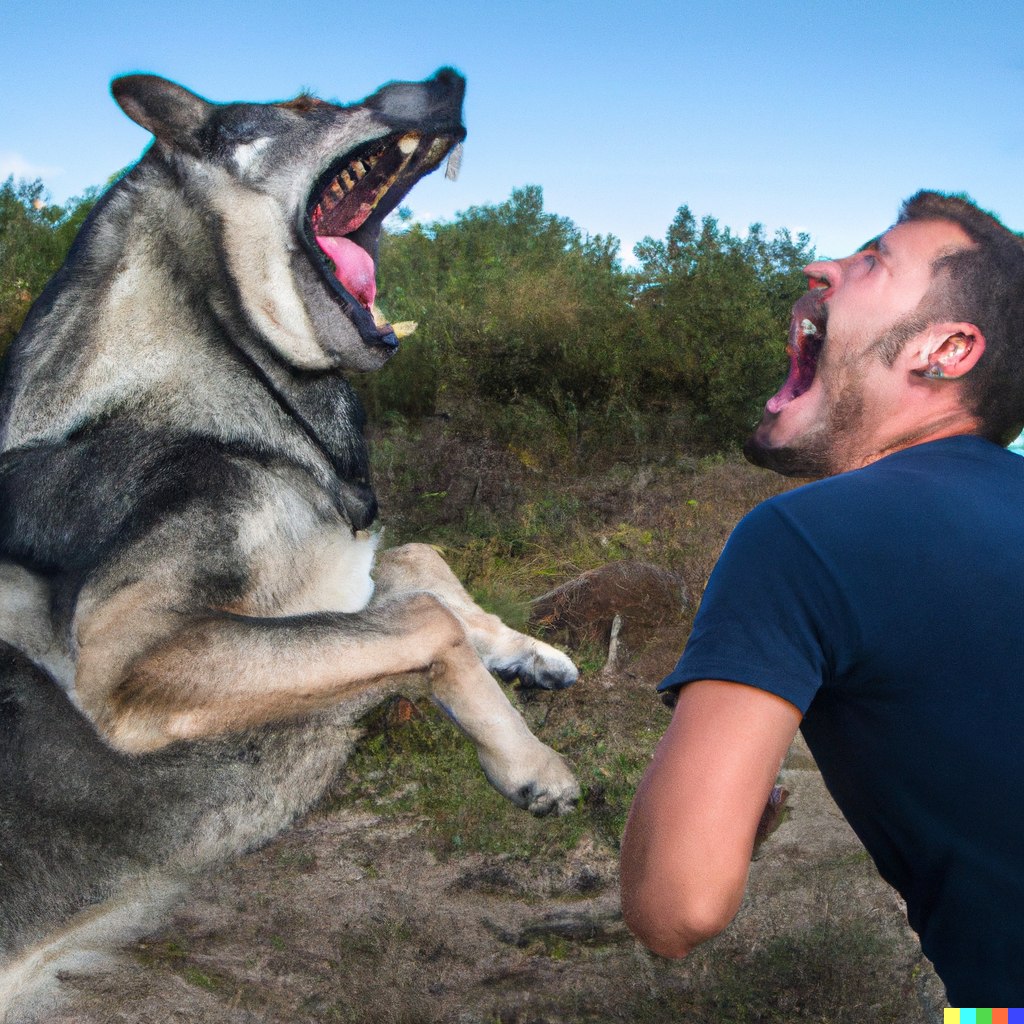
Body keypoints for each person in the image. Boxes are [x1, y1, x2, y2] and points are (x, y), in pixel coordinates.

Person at [619, 191, 1024, 1006]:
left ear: (945, 348)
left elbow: (676, 907)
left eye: (874, 259)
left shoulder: (798, 538)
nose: (821, 268)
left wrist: (692, 816)